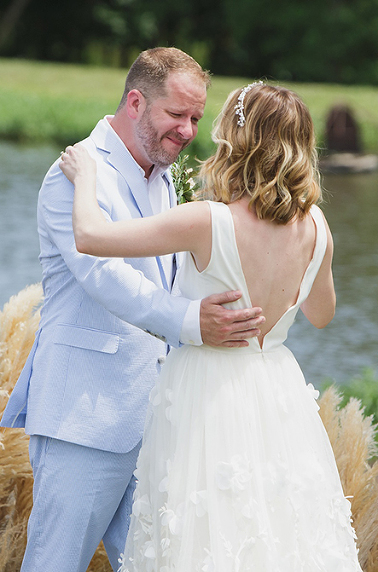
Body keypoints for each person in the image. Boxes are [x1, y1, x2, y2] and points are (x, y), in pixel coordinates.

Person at [59, 81, 363, 571]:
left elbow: (91, 237)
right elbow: (322, 315)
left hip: (207, 388)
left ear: (239, 140)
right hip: (277, 392)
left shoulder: (207, 221)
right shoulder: (317, 228)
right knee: (278, 531)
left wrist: (86, 176)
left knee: (202, 533)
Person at [0, 48, 264, 572]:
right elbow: (105, 278)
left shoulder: (164, 178)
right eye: (177, 115)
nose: (188, 130)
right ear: (136, 101)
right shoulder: (72, 176)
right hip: (85, 415)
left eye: (195, 117)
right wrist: (194, 323)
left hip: (158, 416)